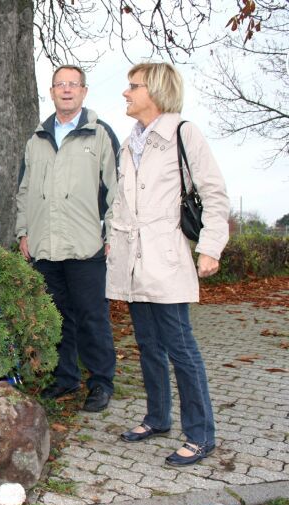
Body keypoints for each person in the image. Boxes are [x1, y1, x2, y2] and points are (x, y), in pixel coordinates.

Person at [107, 63, 229, 466]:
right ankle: (158, 418)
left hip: (166, 258)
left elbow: (213, 192)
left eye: (133, 86)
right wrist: (112, 242)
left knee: (180, 348)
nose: (126, 93)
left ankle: (200, 434)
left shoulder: (183, 133)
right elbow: (120, 202)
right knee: (147, 346)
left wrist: (210, 246)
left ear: (156, 91)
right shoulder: (131, 142)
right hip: (132, 261)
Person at [14, 65, 119, 412]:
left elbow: (115, 191)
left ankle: (101, 382)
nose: (67, 90)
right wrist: (23, 232)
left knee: (92, 317)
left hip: (85, 245)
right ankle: (65, 378)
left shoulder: (100, 134)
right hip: (45, 246)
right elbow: (24, 190)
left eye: (73, 84)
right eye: (60, 84)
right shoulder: (36, 139)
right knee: (56, 318)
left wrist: (112, 233)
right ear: (52, 91)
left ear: (84, 91)